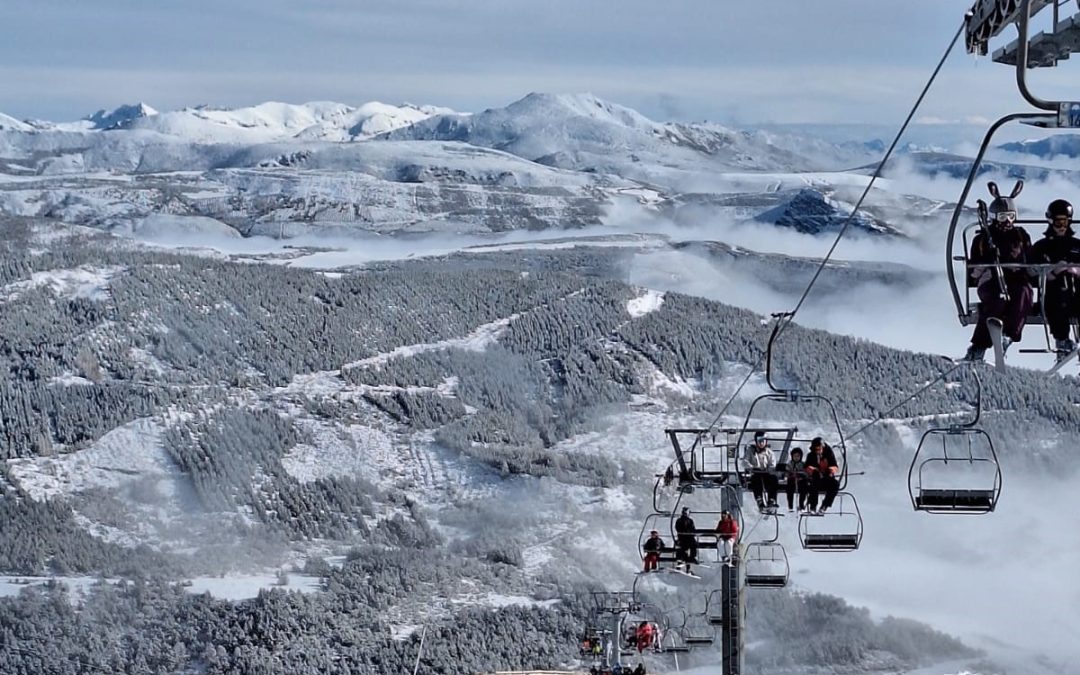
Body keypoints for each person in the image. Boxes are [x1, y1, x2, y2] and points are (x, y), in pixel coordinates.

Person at [965, 181, 1034, 361]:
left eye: (1011, 216)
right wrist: (986, 267)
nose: (1007, 221)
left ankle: (1009, 335)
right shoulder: (982, 239)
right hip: (991, 280)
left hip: (1016, 279)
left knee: (1024, 294)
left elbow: (1030, 257)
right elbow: (973, 270)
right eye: (1003, 217)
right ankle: (978, 346)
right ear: (995, 217)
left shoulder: (1021, 236)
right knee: (997, 301)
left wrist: (1027, 270)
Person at [1031, 199, 1080, 359]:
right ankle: (1062, 339)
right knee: (1060, 291)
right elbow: (1031, 273)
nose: (1062, 227)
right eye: (1058, 222)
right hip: (1052, 297)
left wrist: (1075, 270)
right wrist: (1053, 271)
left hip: (1075, 296)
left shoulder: (1077, 246)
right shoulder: (1042, 247)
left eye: (1065, 222)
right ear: (1051, 221)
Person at [743, 431, 779, 511]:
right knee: (756, 481)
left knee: (774, 479)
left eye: (763, 440)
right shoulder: (751, 450)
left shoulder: (769, 452)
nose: (761, 442)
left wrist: (770, 468)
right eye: (759, 440)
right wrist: (751, 467)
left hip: (766, 473)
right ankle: (760, 501)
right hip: (756, 473)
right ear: (756, 441)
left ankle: (771, 500)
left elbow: (773, 463)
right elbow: (745, 461)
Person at [805, 437, 839, 514]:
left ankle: (825, 505)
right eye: (816, 449)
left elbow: (835, 466)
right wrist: (814, 471)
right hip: (815, 480)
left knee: (835, 484)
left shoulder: (829, 454)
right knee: (814, 483)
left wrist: (830, 470)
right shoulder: (811, 455)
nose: (818, 451)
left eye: (819, 449)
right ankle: (813, 506)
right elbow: (807, 467)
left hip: (826, 479)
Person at [785, 447, 810, 512]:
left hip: (801, 481)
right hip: (792, 481)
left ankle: (801, 504)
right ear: (792, 456)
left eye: (798, 456)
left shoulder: (803, 464)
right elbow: (787, 472)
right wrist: (791, 474)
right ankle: (790, 505)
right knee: (789, 487)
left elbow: (806, 473)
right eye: (794, 456)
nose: (796, 458)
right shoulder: (790, 464)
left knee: (804, 487)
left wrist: (802, 475)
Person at [674, 507, 698, 574]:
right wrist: (685, 532)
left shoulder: (690, 521)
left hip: (689, 538)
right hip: (682, 538)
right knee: (682, 549)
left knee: (693, 545)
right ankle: (681, 562)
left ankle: (691, 559)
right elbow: (678, 528)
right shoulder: (679, 520)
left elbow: (693, 529)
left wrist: (691, 533)